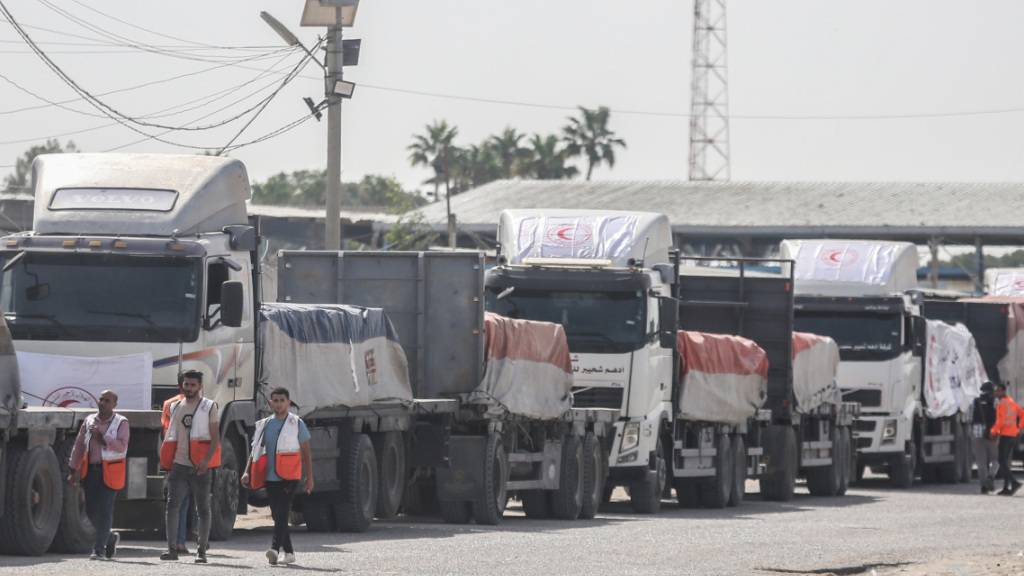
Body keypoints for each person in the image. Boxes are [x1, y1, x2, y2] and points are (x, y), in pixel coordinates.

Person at [241, 387, 313, 566]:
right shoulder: (265, 424)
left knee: (282, 511)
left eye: (282, 400)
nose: (279, 404)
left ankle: (274, 548)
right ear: (270, 403)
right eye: (275, 400)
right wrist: (246, 471)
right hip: (271, 477)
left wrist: (309, 477)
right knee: (276, 514)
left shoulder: (297, 423)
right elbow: (255, 450)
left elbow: (306, 452)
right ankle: (289, 552)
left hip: (290, 476)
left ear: (288, 402)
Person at [159, 370, 220, 563]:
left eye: (193, 385)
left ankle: (201, 551)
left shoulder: (209, 406)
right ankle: (172, 549)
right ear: (182, 385)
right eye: (186, 384)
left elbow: (215, 438)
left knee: (202, 508)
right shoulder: (175, 406)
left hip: (200, 466)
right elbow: (171, 436)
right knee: (172, 506)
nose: (189, 388)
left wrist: (206, 461)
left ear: (200, 387)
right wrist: (167, 463)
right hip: (179, 464)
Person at [67, 389, 129, 560]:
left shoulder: (121, 422)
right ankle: (110, 537)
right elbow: (79, 445)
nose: (102, 403)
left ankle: (98, 549)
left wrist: (102, 437)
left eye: (107, 400)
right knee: (90, 510)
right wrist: (73, 469)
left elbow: (121, 446)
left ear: (114, 404)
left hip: (111, 472)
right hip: (91, 471)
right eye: (101, 399)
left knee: (105, 511)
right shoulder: (89, 420)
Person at [161, 378, 195, 555]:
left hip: (173, 455)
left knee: (174, 503)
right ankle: (182, 541)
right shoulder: (200, 404)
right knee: (186, 501)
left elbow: (165, 430)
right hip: (190, 455)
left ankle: (174, 543)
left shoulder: (168, 404)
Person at [990, 383, 1022, 496]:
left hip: (1005, 435)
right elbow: (1022, 413)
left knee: (1001, 460)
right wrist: (1019, 428)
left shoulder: (1002, 404)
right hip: (1013, 435)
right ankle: (1006, 487)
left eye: (998, 391)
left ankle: (1014, 482)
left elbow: (1001, 420)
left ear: (1003, 391)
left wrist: (993, 431)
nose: (996, 393)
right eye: (995, 391)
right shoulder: (1012, 402)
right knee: (1005, 461)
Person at [971, 382, 999, 494]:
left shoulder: (975, 401)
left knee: (981, 461)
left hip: (977, 432)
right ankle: (991, 476)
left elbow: (970, 416)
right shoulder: (995, 401)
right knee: (995, 459)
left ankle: (983, 487)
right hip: (991, 432)